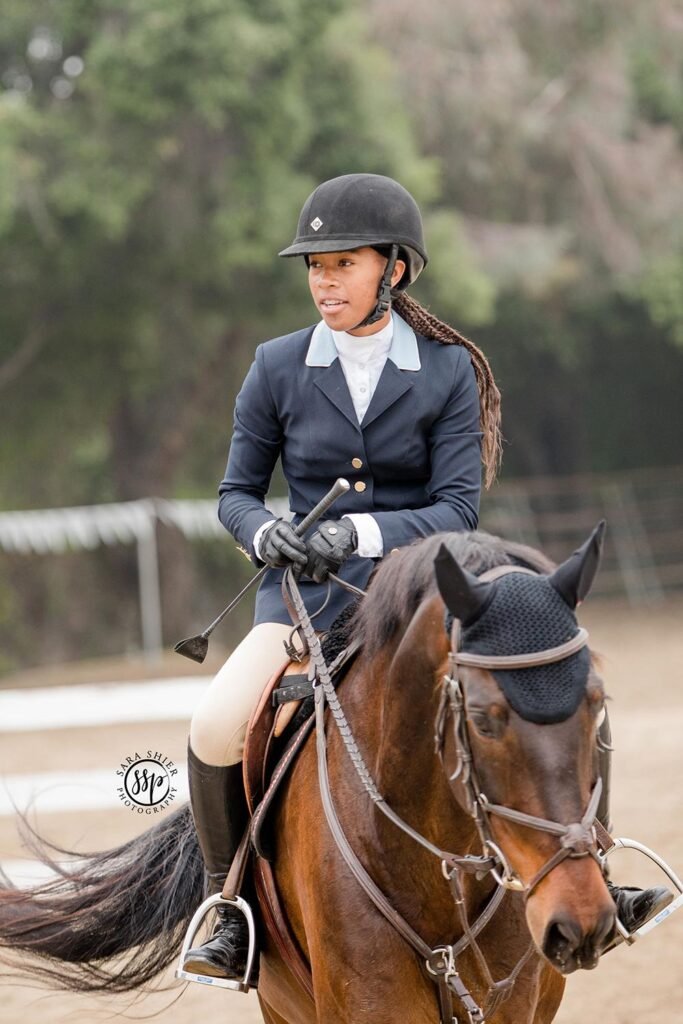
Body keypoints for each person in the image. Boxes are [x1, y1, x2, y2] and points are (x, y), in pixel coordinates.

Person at [180, 173, 670, 982]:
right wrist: (267, 531)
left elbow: (455, 509)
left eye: (342, 263)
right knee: (213, 724)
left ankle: (599, 877)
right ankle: (226, 908)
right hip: (306, 603)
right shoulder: (274, 367)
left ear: (393, 271)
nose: (324, 282)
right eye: (315, 266)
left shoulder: (445, 371)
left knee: (555, 688)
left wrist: (353, 529)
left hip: (425, 604)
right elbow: (234, 493)